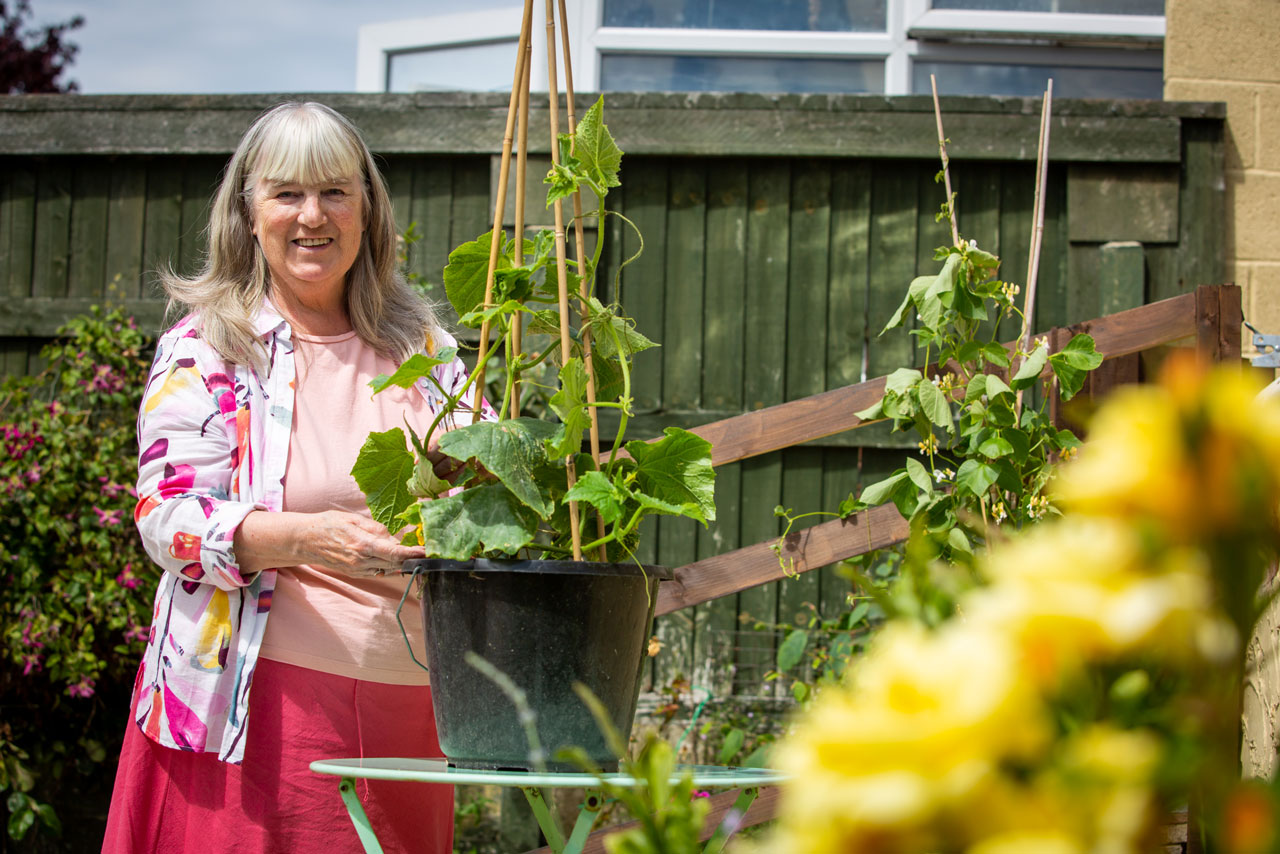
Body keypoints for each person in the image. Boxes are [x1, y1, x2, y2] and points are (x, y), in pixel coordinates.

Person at [102, 101, 483, 854]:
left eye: (336, 191)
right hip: (262, 698)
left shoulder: (425, 346)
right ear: (249, 212)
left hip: (411, 698)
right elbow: (166, 520)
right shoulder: (209, 348)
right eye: (287, 193)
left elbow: (485, 480)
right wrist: (308, 540)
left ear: (368, 209)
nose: (314, 215)